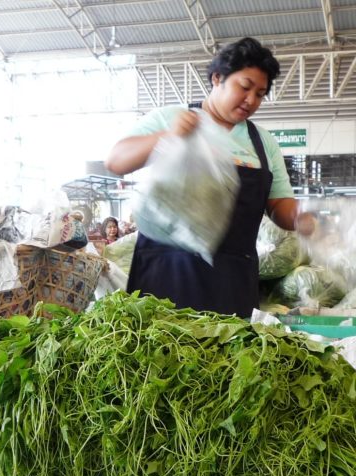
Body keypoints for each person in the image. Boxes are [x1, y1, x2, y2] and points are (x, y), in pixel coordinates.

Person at [105, 37, 315, 318]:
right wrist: (169, 137)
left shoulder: (264, 143)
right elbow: (116, 161)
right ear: (217, 78)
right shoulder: (173, 118)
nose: (251, 100)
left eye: (261, 94)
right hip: (166, 275)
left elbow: (279, 205)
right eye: (245, 87)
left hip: (231, 283)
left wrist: (300, 218)